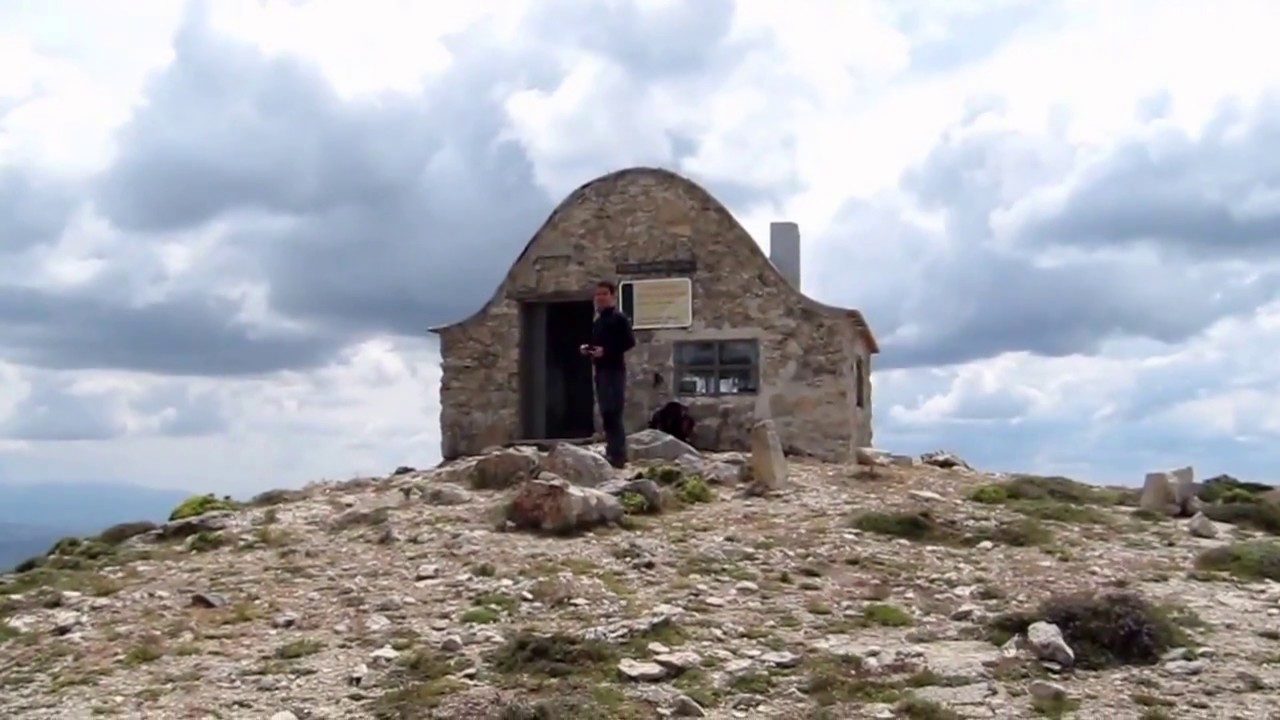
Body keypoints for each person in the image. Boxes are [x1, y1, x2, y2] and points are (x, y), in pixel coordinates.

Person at [580, 280, 636, 468]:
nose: (600, 297)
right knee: (606, 412)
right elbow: (597, 343)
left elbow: (629, 342)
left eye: (604, 294)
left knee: (613, 411)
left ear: (612, 296)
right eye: (598, 294)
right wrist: (587, 349)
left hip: (614, 370)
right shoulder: (598, 321)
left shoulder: (619, 318)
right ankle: (612, 451)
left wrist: (607, 351)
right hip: (601, 371)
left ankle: (619, 454)